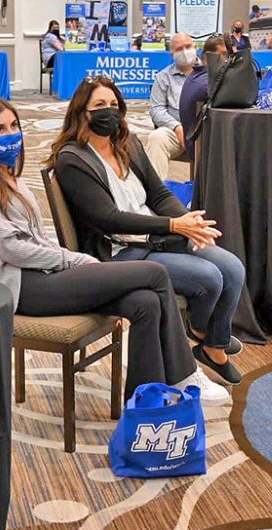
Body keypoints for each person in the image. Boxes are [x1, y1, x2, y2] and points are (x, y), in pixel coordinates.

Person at [0, 97, 229, 402]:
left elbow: (36, 240)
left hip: (44, 275)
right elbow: (11, 250)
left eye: (14, 125)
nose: (10, 134)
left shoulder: (8, 177)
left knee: (146, 303)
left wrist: (69, 261)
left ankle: (144, 402)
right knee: (154, 273)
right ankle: (185, 375)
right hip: (23, 287)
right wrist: (73, 260)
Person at [48, 76, 245, 386]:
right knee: (209, 278)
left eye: (113, 104)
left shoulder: (127, 143)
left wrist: (188, 222)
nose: (108, 111)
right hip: (119, 251)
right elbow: (109, 219)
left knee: (232, 268)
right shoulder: (73, 159)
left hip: (154, 236)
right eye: (99, 105)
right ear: (82, 112)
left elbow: (159, 194)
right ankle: (206, 334)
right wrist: (173, 225)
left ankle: (211, 343)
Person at [145, 33, 196, 181]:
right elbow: (156, 110)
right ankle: (157, 191)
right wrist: (176, 127)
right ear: (172, 53)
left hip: (206, 132)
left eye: (188, 46)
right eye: (179, 49)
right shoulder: (163, 77)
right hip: (176, 133)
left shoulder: (211, 72)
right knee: (156, 138)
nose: (185, 52)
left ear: (195, 47)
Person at [178, 34, 230, 161]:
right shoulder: (206, 84)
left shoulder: (198, 76)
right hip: (203, 152)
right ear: (208, 56)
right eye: (223, 54)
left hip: (203, 147)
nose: (228, 59)